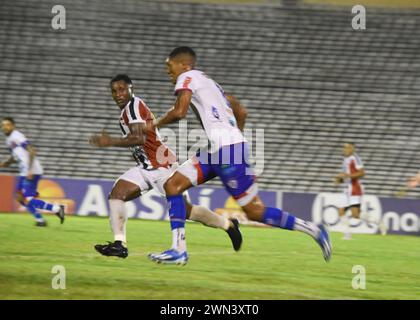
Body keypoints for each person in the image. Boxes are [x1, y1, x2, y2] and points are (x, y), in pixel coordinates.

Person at [147, 46, 331, 265]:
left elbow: (179, 112)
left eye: (170, 66)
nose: (169, 71)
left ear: (184, 65)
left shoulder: (186, 77)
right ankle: (179, 250)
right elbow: (241, 111)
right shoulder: (212, 84)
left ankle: (313, 229)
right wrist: (236, 144)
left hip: (227, 151)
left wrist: (153, 123)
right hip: (221, 150)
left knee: (254, 212)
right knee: (172, 186)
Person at [89, 74, 242, 259]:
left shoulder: (134, 107)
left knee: (186, 211)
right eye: (114, 91)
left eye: (122, 89)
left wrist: (110, 141)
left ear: (131, 88)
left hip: (162, 166)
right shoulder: (127, 111)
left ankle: (228, 225)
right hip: (145, 167)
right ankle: (119, 244)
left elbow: (140, 137)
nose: (118, 94)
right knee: (117, 194)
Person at [0, 117, 65, 226]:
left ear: (13, 126)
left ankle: (57, 209)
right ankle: (40, 220)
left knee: (29, 199)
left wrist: (30, 169)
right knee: (19, 196)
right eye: (3, 125)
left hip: (31, 171)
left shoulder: (17, 135)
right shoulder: (9, 139)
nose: (5, 127)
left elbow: (31, 149)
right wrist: (4, 164)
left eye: (7, 125)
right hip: (23, 171)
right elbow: (15, 156)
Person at [334, 142, 386, 239]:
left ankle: (378, 222)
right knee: (341, 210)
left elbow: (362, 173)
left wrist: (346, 176)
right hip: (347, 189)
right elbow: (345, 175)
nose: (345, 149)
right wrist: (339, 179)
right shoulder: (345, 159)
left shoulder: (355, 158)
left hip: (355, 188)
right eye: (344, 147)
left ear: (352, 149)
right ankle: (347, 233)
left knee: (355, 215)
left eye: (348, 147)